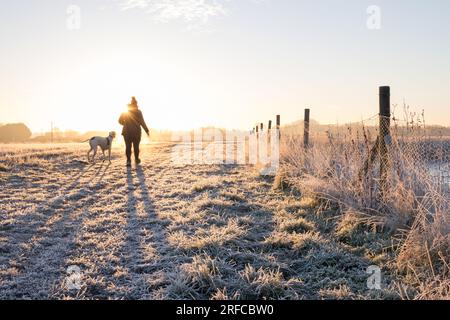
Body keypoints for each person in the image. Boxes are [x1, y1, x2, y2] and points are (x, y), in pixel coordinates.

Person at [118, 97, 150, 167]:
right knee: (136, 147)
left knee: (128, 146)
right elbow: (142, 122)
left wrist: (125, 124)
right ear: (136, 104)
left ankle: (128, 161)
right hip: (136, 132)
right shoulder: (139, 112)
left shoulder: (125, 112)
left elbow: (119, 121)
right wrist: (146, 130)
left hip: (126, 132)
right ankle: (136, 159)